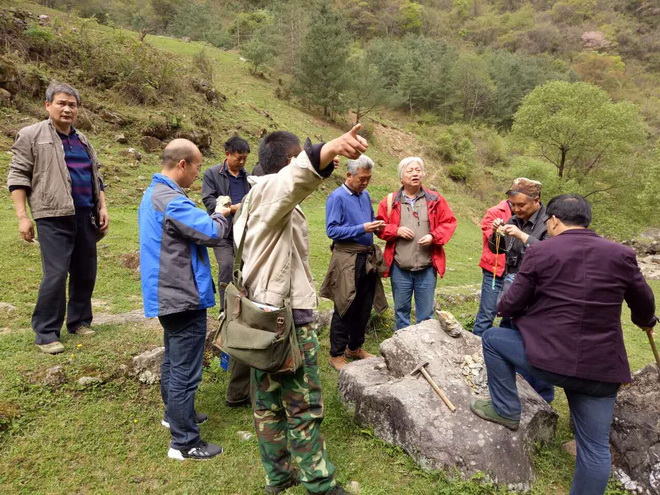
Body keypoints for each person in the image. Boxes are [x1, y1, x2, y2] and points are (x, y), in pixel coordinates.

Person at [470, 194, 657, 495]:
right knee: (594, 448)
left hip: (549, 360)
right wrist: (645, 321)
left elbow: (508, 305)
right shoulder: (621, 254)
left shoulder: (541, 251)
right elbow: (644, 302)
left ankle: (506, 409)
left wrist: (515, 309)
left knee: (492, 339)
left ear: (554, 220)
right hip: (601, 369)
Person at [233, 126, 368, 495]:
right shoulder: (269, 193)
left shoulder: (251, 197)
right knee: (302, 404)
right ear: (290, 161)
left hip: (259, 318)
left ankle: (278, 477)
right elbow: (295, 179)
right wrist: (331, 147)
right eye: (299, 156)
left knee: (267, 404)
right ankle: (319, 483)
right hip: (286, 321)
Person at [139, 139, 231, 461]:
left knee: (172, 360)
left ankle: (174, 415)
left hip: (167, 294)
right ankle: (184, 443)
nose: (197, 174)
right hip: (182, 295)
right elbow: (210, 232)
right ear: (182, 164)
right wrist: (220, 213)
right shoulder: (171, 200)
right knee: (184, 371)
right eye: (196, 167)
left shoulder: (155, 193)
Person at [7, 82, 109, 354]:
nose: (67, 109)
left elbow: (96, 176)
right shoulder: (32, 135)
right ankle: (46, 333)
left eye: (72, 105)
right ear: (48, 105)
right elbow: (18, 176)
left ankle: (79, 321)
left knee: (85, 271)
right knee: (56, 273)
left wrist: (102, 207)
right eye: (61, 103)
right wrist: (22, 217)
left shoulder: (82, 140)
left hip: (85, 214)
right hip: (52, 216)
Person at [486, 177, 554, 403]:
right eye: (512, 205)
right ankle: (515, 390)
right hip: (513, 285)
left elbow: (552, 253)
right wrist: (496, 234)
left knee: (535, 340)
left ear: (536, 200)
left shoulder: (550, 222)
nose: (516, 209)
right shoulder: (513, 219)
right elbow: (497, 250)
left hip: (538, 290)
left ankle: (542, 397)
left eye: (521, 205)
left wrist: (522, 235)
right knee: (509, 334)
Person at [320, 155, 387, 371]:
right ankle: (336, 353)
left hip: (367, 258)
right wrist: (362, 228)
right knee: (345, 303)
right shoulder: (337, 197)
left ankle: (354, 347)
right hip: (347, 258)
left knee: (364, 304)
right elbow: (332, 230)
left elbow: (368, 219)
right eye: (362, 178)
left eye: (368, 178)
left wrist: (376, 225)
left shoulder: (365, 195)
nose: (365, 182)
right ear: (349, 175)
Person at [376, 157, 457, 331]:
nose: (415, 174)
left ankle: (425, 345)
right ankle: (402, 343)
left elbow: (449, 223)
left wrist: (433, 236)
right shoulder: (390, 201)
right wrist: (396, 230)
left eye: (418, 170)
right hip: (400, 267)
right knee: (401, 313)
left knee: (426, 315)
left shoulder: (435, 199)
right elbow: (379, 227)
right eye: (410, 171)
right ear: (401, 177)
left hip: (427, 267)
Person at [201, 135, 252, 408]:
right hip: (222, 233)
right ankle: (225, 308)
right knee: (226, 267)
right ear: (227, 153)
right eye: (237, 158)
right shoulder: (212, 174)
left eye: (244, 159)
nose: (241, 162)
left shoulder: (247, 177)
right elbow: (210, 203)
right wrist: (233, 208)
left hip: (244, 234)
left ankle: (244, 303)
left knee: (244, 269)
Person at [472, 199, 511, 337]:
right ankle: (476, 344)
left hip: (517, 272)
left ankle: (502, 345)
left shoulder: (530, 214)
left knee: (511, 316)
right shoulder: (495, 212)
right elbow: (490, 238)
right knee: (487, 313)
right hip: (494, 270)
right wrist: (497, 230)